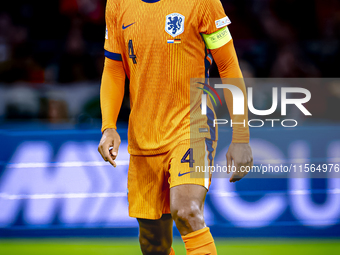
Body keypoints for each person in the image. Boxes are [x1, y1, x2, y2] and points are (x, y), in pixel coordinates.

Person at [98, 0, 253, 254]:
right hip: (144, 134)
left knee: (187, 211)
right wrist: (109, 126)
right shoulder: (117, 3)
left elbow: (228, 65)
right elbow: (114, 67)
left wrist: (241, 137)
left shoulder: (204, 2)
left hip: (192, 125)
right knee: (153, 243)